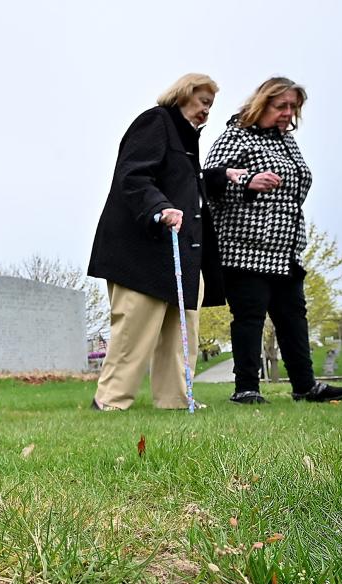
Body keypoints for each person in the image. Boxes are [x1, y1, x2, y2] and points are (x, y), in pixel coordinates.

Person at [89, 73, 238, 411]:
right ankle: (110, 401)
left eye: (210, 106)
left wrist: (218, 176)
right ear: (182, 95)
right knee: (134, 332)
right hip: (141, 254)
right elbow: (133, 174)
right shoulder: (156, 122)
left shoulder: (186, 139)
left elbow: (182, 181)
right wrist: (159, 208)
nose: (206, 112)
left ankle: (175, 398)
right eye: (203, 102)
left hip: (182, 255)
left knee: (180, 333)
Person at [203, 77, 342, 404]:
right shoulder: (236, 136)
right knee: (249, 318)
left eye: (293, 107)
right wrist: (246, 183)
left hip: (285, 250)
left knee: (293, 318)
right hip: (245, 248)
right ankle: (246, 389)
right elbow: (208, 182)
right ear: (263, 103)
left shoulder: (286, 141)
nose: (288, 113)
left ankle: (305, 386)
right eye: (281, 106)